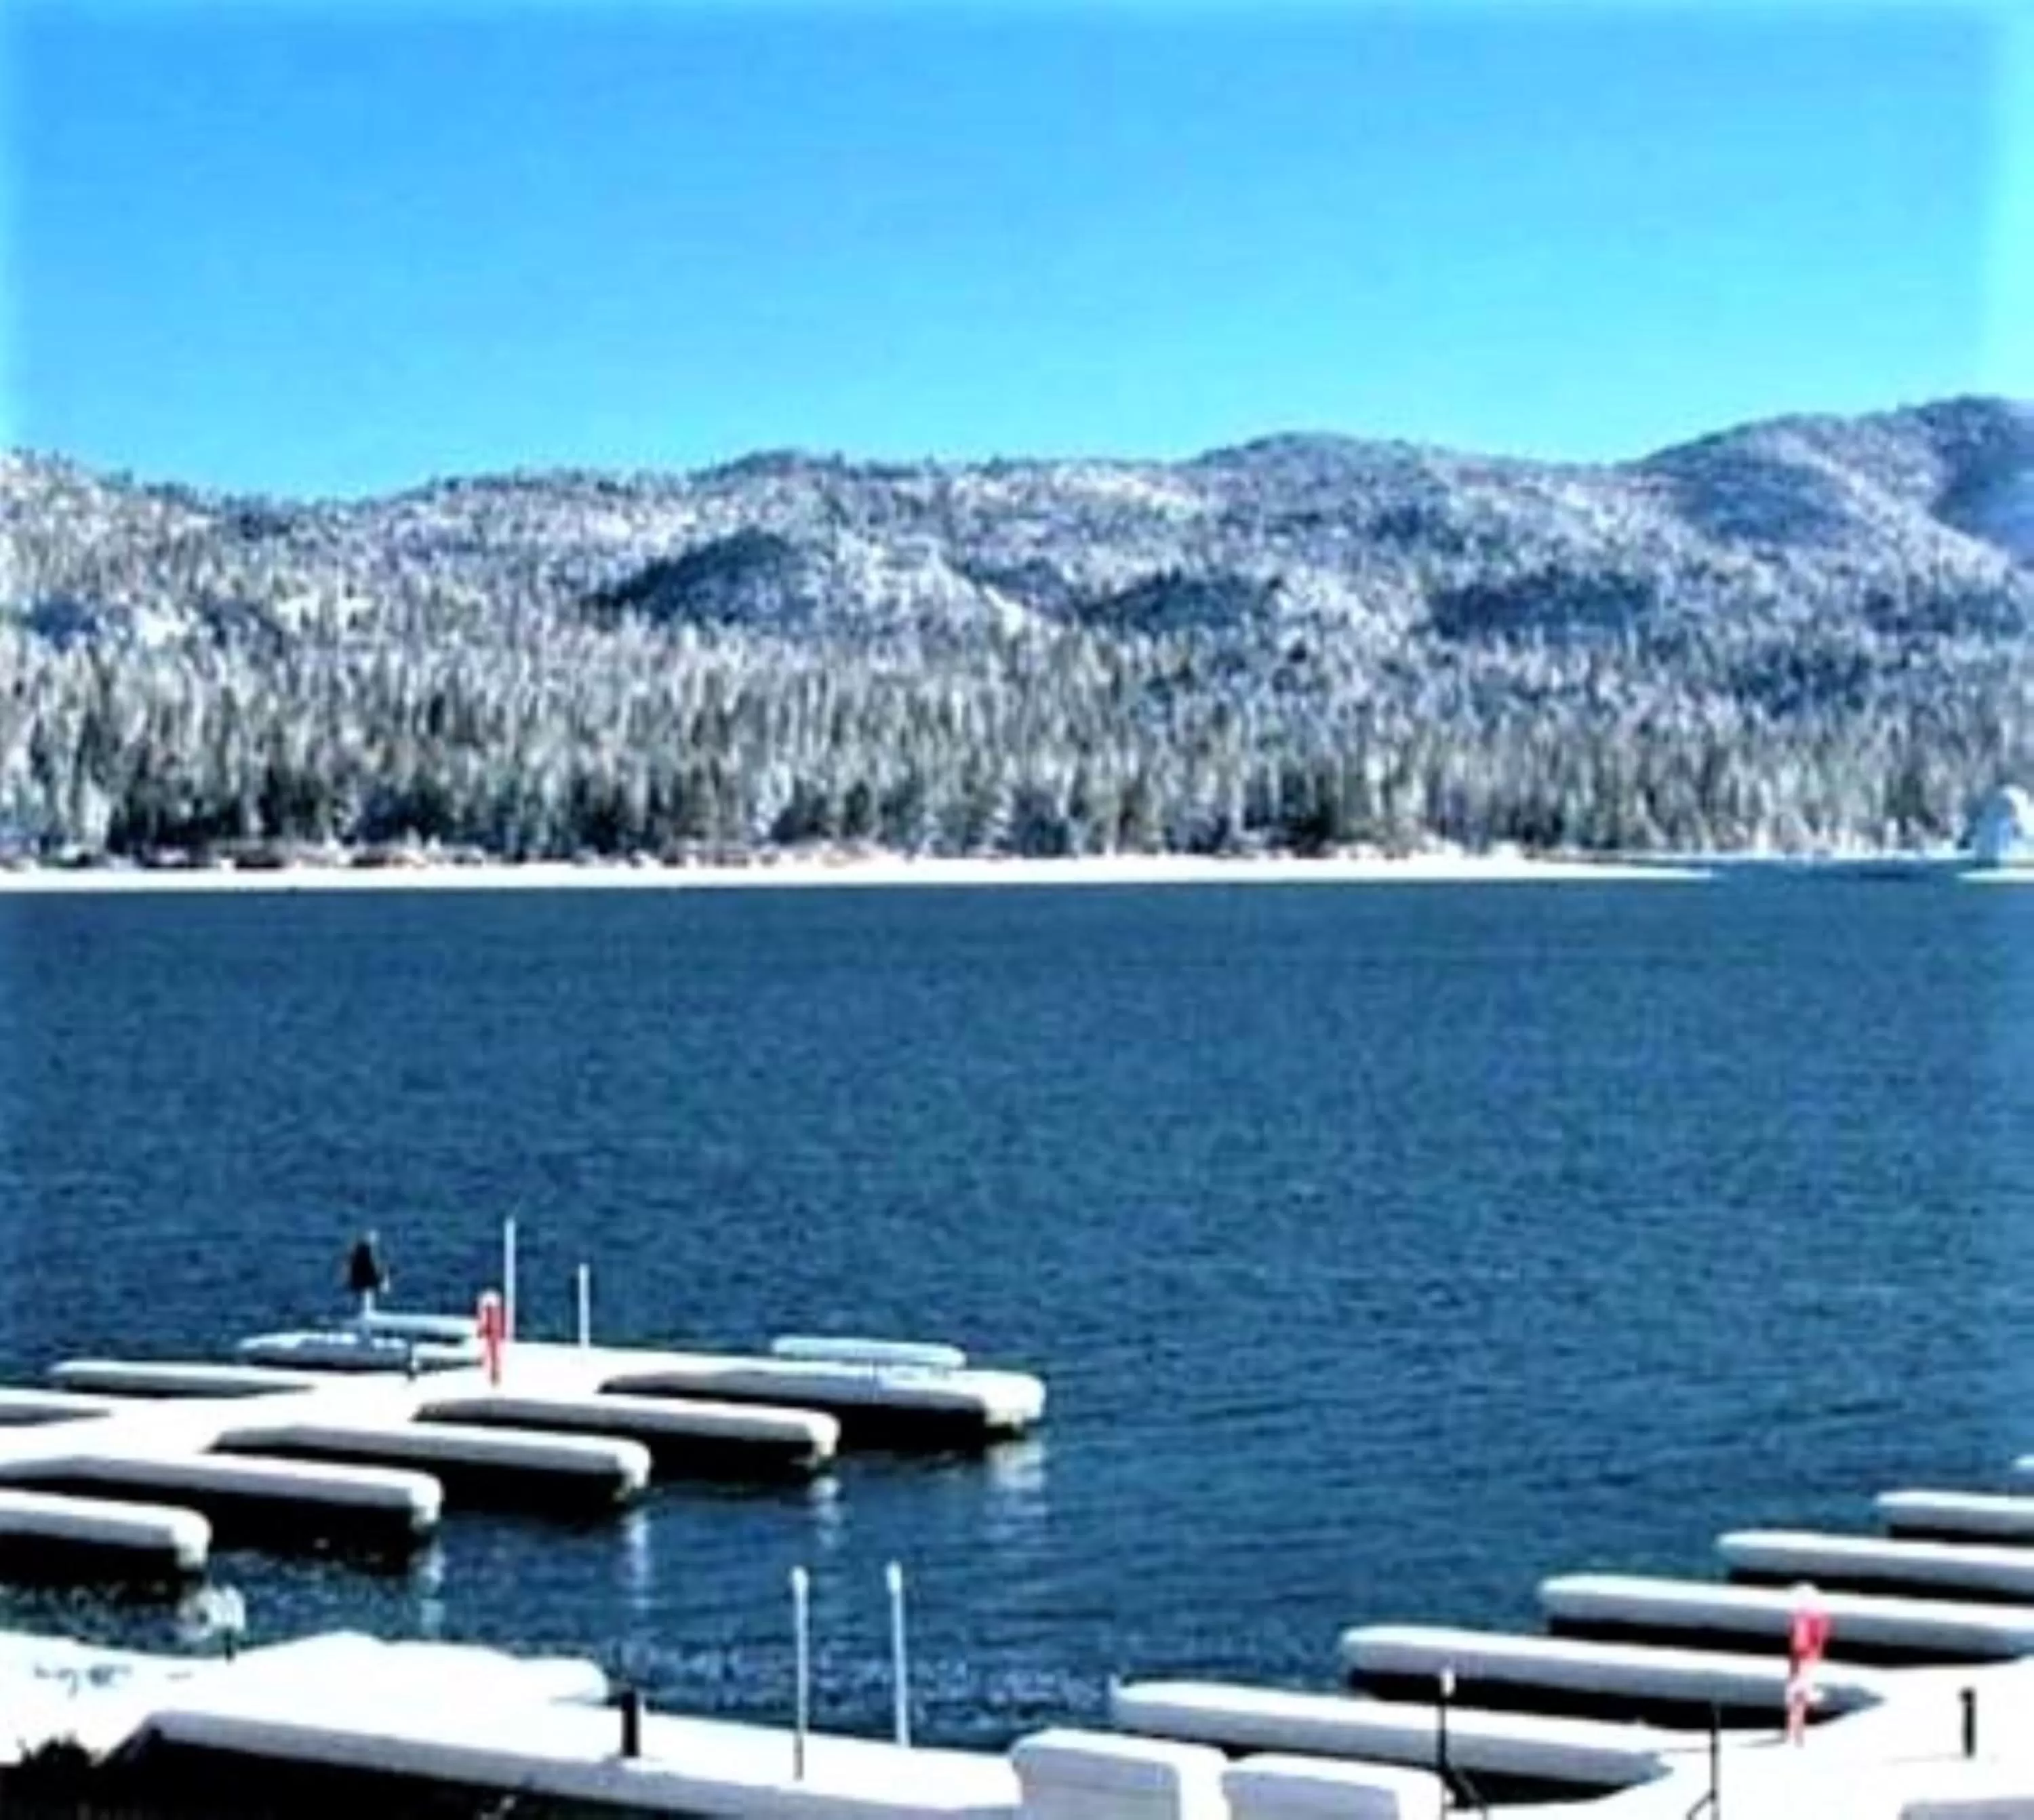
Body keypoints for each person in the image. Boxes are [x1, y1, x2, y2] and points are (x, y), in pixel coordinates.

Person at [346, 1230, 389, 1320]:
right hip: (364, 1283)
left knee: (365, 1300)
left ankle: (364, 1314)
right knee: (366, 1298)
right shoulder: (366, 1254)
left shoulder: (357, 1254)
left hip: (360, 1283)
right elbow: (372, 1269)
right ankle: (365, 1316)